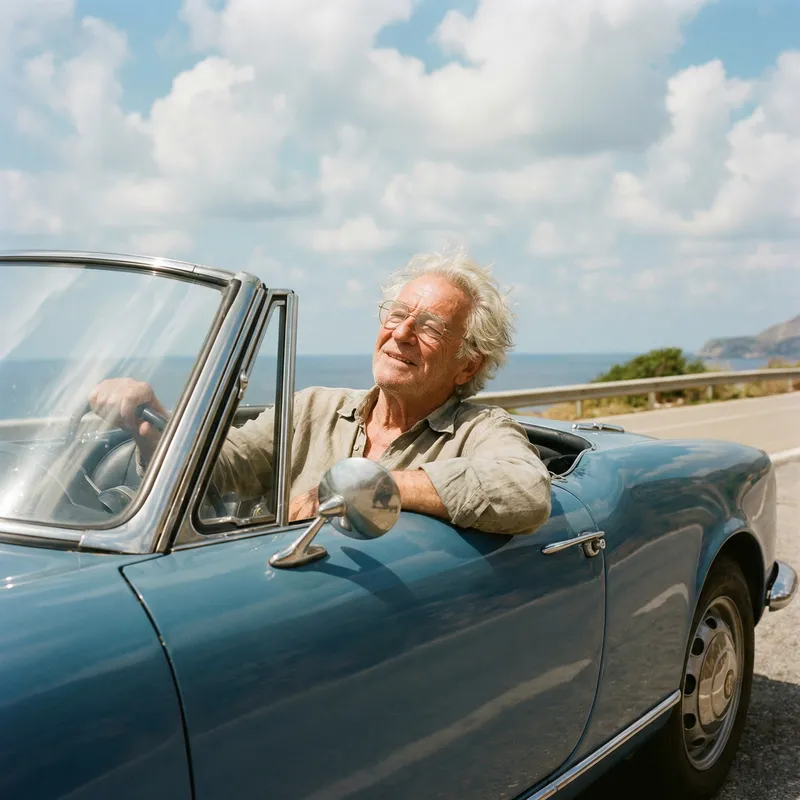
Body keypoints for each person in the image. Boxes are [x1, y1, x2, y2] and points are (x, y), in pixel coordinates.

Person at [89, 251, 551, 535]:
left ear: (468, 363)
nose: (402, 333)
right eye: (396, 314)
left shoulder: (479, 429)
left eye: (429, 326)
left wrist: (367, 488)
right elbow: (223, 466)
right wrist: (150, 420)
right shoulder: (313, 407)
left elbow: (525, 492)